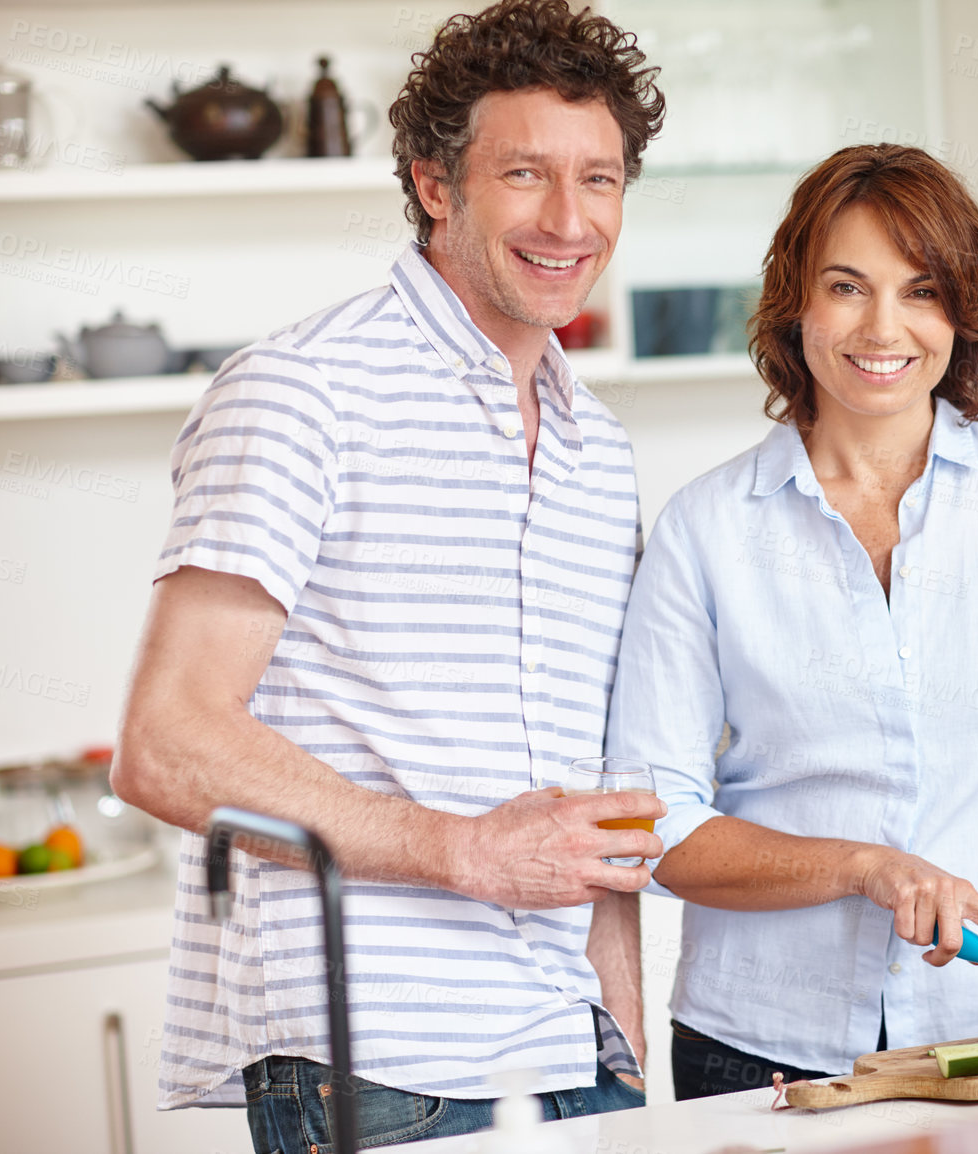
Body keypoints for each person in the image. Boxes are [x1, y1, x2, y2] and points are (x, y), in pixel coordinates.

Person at [110, 3, 668, 1148]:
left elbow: (597, 780)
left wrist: (620, 1014)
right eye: (524, 173)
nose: (570, 220)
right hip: (377, 1065)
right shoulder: (300, 392)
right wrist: (463, 850)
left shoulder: (596, 446)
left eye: (600, 179)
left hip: (576, 1052)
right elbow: (165, 742)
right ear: (433, 183)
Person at [606, 144, 978, 1099]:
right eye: (846, 287)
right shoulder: (704, 529)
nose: (884, 327)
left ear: (959, 313)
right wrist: (862, 866)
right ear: (794, 304)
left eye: (920, 290)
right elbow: (659, 825)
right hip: (759, 1046)